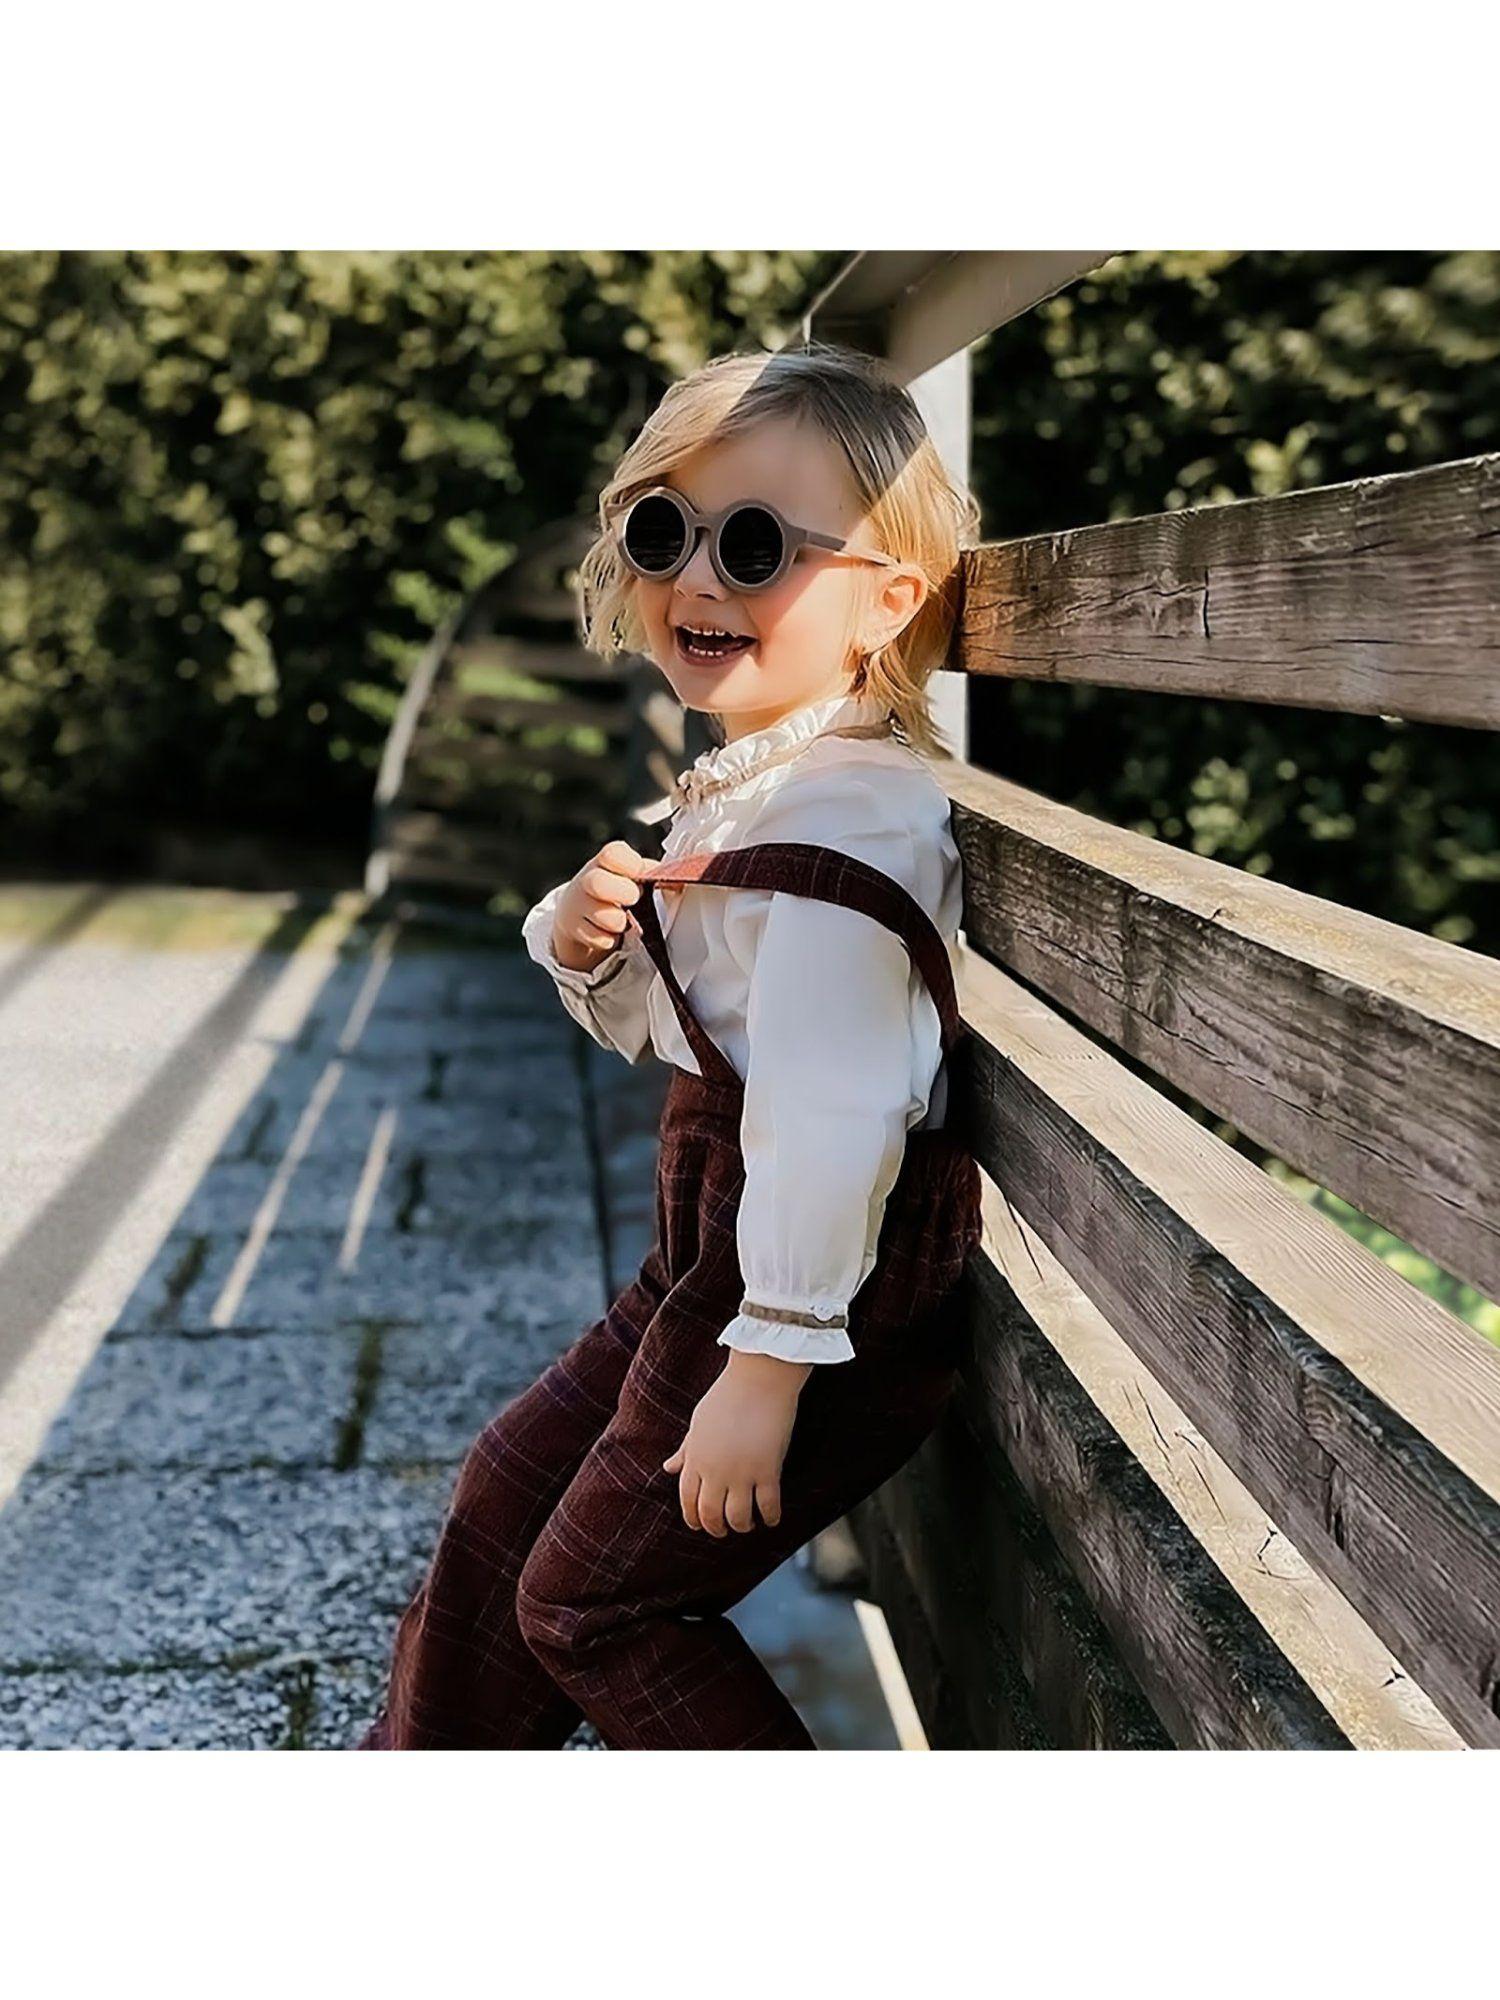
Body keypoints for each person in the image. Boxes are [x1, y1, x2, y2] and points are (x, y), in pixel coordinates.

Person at [357, 340, 984, 1750]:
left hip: (820, 1291)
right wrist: (584, 936)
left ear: (887, 602)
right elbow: (708, 1036)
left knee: (592, 1603)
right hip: (718, 1255)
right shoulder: (767, 782)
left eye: (756, 546)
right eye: (663, 531)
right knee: (504, 1493)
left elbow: (833, 1114)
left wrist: (767, 1366)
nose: (698, 579)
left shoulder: (846, 818)